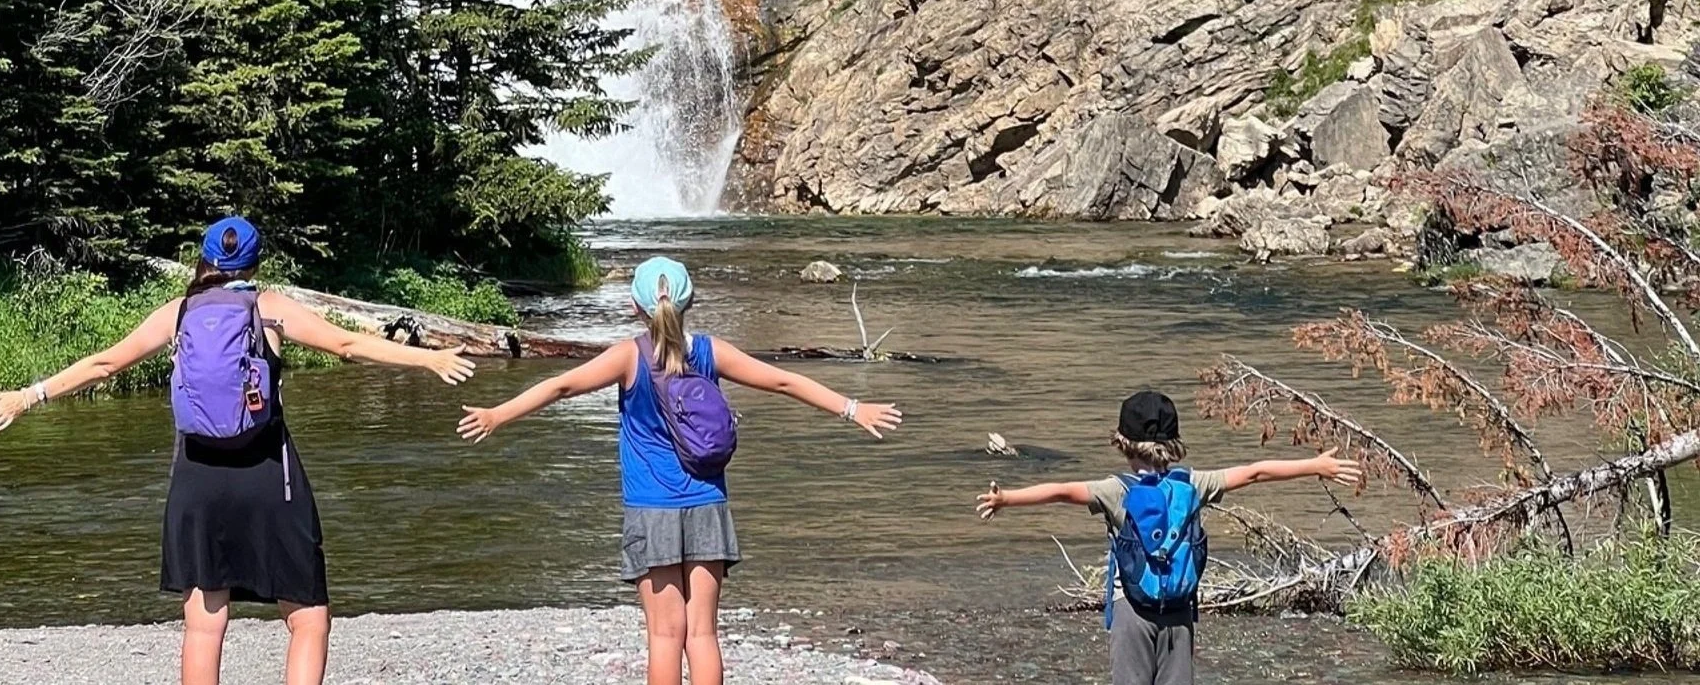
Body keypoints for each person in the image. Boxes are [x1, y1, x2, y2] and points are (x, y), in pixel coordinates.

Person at [0, 216, 477, 685]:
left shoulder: (179, 313)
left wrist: (28, 396)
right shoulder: (270, 308)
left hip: (197, 478)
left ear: (204, 260)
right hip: (266, 474)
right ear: (255, 263)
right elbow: (348, 346)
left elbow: (105, 364)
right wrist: (428, 359)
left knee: (204, 621)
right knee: (307, 616)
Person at [456, 256, 903, 685]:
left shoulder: (629, 357)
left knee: (665, 636)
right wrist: (853, 408)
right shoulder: (710, 352)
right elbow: (783, 381)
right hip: (708, 504)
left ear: (635, 307)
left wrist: (499, 414)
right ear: (690, 303)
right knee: (703, 633)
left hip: (651, 511)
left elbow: (561, 385)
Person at [975, 390, 1362, 685]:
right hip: (1179, 608)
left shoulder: (1116, 490)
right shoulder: (1193, 484)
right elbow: (1255, 471)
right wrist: (1315, 465)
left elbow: (1061, 490)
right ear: (1173, 442)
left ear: (1123, 443)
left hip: (1131, 609)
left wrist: (1007, 498)